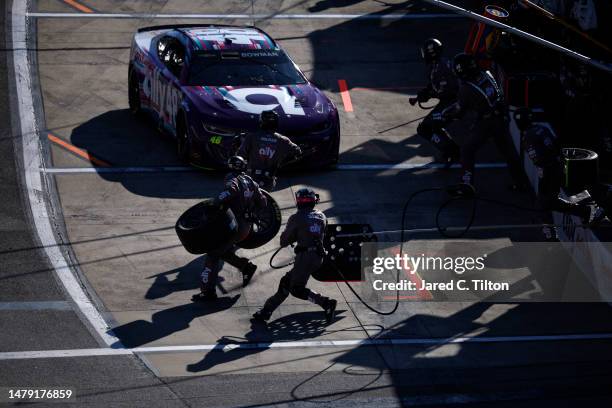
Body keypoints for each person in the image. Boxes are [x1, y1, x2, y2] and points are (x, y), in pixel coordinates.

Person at [252, 188, 337, 324]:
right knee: (286, 282)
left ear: (299, 202)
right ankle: (266, 311)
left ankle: (326, 303)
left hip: (305, 258)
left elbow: (284, 241)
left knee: (297, 289)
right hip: (317, 256)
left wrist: (294, 237)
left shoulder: (296, 218)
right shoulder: (321, 216)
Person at [441, 53, 525, 188]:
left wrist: (447, 114)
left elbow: (460, 111)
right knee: (509, 153)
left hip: (487, 122)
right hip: (501, 118)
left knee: (467, 150)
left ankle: (466, 183)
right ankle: (521, 183)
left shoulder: (466, 88)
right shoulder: (486, 74)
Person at [192, 155, 266, 302]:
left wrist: (214, 203)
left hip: (233, 227)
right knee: (222, 251)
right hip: (246, 227)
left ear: (230, 166)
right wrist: (252, 213)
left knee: (212, 254)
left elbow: (225, 195)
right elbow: (263, 202)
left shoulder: (233, 180)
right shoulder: (250, 181)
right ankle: (246, 267)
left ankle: (207, 293)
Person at [410, 38, 461, 166]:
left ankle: (450, 151)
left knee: (424, 128)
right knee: (434, 125)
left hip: (453, 103)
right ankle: (452, 149)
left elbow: (444, 90)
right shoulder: (440, 64)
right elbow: (435, 87)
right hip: (450, 102)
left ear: (430, 53)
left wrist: (427, 95)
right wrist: (423, 94)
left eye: (425, 53)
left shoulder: (439, 68)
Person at [514, 107, 562, 240]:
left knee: (545, 205)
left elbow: (538, 160)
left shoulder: (528, 137)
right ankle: (550, 233)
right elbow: (556, 144)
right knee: (545, 204)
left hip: (549, 171)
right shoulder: (542, 128)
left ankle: (551, 237)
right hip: (557, 166)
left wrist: (544, 171)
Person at [238, 110, 302, 190]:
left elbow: (240, 155)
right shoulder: (282, 140)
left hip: (250, 177)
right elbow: (297, 151)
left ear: (261, 122)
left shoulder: (252, 137)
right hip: (268, 181)